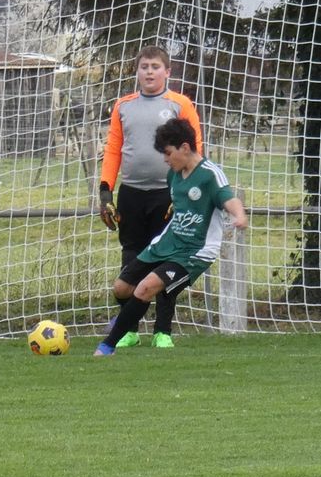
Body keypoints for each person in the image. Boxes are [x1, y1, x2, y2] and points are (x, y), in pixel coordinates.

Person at [95, 117, 246, 356]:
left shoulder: (210, 174)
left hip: (194, 252)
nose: (165, 160)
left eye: (167, 153)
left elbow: (229, 197)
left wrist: (239, 215)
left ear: (185, 147)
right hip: (167, 243)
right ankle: (128, 322)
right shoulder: (173, 175)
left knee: (145, 288)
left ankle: (107, 346)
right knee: (121, 288)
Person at [97, 45, 204, 349]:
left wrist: (184, 192)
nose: (149, 72)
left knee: (168, 259)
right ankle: (129, 329)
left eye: (155, 67)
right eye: (144, 66)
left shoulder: (180, 104)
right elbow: (113, 149)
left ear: (167, 72)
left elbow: (194, 150)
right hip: (131, 194)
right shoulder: (123, 106)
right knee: (132, 257)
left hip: (168, 195)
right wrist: (105, 191)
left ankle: (163, 331)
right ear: (137, 71)